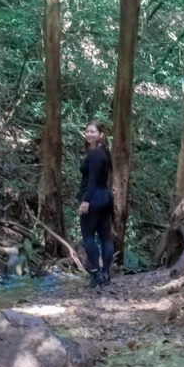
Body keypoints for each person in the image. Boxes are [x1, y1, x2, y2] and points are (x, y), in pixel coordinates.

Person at [77, 120, 114, 288]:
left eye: (93, 131)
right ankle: (105, 273)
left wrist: (85, 201)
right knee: (106, 236)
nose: (89, 134)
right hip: (105, 197)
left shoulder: (94, 155)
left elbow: (91, 181)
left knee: (88, 236)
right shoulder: (104, 152)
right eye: (87, 131)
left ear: (101, 135)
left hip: (93, 198)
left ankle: (96, 273)